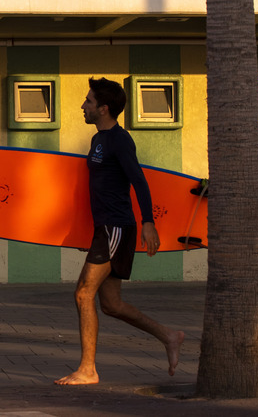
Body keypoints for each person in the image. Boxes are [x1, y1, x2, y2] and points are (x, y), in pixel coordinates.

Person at [55, 77, 184, 385]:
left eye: (88, 101)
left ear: (104, 108)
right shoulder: (97, 140)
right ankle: (169, 336)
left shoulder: (119, 139)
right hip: (105, 227)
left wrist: (148, 222)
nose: (82, 106)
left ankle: (88, 369)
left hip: (116, 227)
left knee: (83, 293)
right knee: (111, 305)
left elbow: (139, 180)